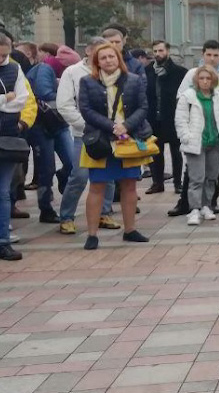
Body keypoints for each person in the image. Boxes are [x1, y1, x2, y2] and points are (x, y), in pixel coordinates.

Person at [77, 42, 152, 250]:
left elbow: (143, 107)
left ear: (118, 58)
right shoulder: (87, 82)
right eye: (103, 58)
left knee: (129, 185)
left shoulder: (134, 81)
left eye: (112, 56)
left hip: (128, 140)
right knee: (97, 186)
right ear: (97, 62)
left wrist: (126, 126)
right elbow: (86, 110)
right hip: (100, 141)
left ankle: (130, 230)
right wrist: (112, 126)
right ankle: (92, 234)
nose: (108, 60)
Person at [56, 37, 119, 236]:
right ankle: (66, 216)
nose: (105, 58)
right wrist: (87, 125)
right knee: (79, 176)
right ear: (88, 51)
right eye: (99, 52)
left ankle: (105, 212)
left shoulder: (110, 72)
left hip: (109, 132)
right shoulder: (73, 72)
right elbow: (65, 105)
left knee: (108, 175)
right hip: (83, 133)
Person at [170, 41, 219, 216]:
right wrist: (187, 132)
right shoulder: (192, 74)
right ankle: (187, 204)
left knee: (215, 172)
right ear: (203, 55)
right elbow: (180, 98)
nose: (211, 59)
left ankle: (211, 202)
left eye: (215, 55)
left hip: (217, 128)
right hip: (196, 130)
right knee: (194, 172)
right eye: (208, 55)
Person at [25, 42, 74, 224]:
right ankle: (45, 208)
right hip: (40, 125)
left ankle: (62, 176)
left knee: (72, 162)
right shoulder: (45, 70)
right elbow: (43, 93)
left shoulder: (59, 72)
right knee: (46, 167)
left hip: (58, 123)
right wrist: (66, 92)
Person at [0, 33, 30, 261]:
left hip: (8, 136)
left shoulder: (14, 68)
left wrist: (9, 102)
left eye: (4, 54)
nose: (2, 58)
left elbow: (22, 98)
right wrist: (4, 99)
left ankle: (3, 241)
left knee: (3, 192)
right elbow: (11, 100)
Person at [144, 40, 187, 196]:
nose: (158, 54)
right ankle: (157, 182)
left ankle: (178, 183)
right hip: (154, 118)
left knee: (176, 151)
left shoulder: (179, 72)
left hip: (172, 117)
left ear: (167, 51)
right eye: (155, 51)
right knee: (156, 151)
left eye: (160, 50)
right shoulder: (148, 71)